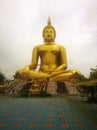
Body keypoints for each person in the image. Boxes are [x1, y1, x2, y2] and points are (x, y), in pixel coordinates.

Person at [15, 17, 80, 81]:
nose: (49, 34)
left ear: (55, 35)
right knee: (19, 72)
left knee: (75, 72)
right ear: (43, 35)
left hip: (56, 73)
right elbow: (34, 65)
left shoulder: (61, 47)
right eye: (46, 32)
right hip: (41, 72)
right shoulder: (37, 47)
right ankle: (50, 78)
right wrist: (27, 67)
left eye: (51, 32)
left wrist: (55, 71)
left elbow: (64, 65)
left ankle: (46, 77)